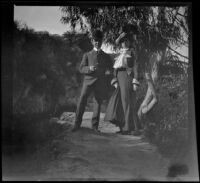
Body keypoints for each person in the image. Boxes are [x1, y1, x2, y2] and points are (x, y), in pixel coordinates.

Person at [71, 29, 113, 132]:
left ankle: (95, 127)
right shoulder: (87, 55)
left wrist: (108, 72)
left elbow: (110, 68)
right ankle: (77, 124)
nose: (97, 42)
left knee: (97, 104)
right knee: (82, 101)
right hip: (88, 81)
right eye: (95, 40)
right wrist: (89, 69)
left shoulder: (106, 56)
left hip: (100, 82)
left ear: (102, 41)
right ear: (93, 41)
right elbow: (81, 68)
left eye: (99, 40)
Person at [104, 26, 141, 135]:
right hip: (119, 77)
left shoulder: (132, 52)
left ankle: (128, 128)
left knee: (126, 101)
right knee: (118, 101)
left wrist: (135, 80)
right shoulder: (119, 53)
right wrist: (114, 80)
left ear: (129, 42)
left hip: (127, 77)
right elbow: (115, 68)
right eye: (123, 41)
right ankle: (121, 127)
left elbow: (135, 68)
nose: (124, 43)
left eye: (126, 41)